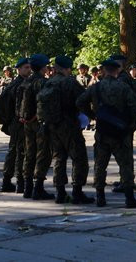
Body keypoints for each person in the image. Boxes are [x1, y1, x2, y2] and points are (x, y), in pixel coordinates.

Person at [76, 58, 136, 208]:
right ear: (117, 70)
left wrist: (92, 115)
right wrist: (130, 123)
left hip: (103, 131)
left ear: (104, 70)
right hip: (120, 131)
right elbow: (135, 106)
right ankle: (129, 198)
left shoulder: (96, 87)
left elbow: (80, 102)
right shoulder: (123, 87)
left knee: (100, 165)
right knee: (125, 164)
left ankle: (100, 197)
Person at [41, 56, 94, 204]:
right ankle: (77, 192)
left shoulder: (49, 82)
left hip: (52, 125)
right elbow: (82, 100)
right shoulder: (70, 82)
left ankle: (60, 192)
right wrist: (91, 115)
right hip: (69, 124)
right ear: (68, 68)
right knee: (79, 157)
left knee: (58, 157)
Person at [18, 53, 54, 200]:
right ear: (43, 67)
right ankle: (38, 187)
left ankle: (27, 188)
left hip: (27, 122)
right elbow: (44, 103)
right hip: (38, 122)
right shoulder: (41, 82)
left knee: (29, 154)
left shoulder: (25, 81)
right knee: (43, 154)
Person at [0, 59, 29, 193]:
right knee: (20, 152)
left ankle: (7, 181)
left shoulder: (12, 84)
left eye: (29, 67)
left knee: (13, 152)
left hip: (14, 123)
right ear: (18, 69)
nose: (28, 70)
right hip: (19, 123)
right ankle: (19, 183)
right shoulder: (20, 85)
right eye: (25, 67)